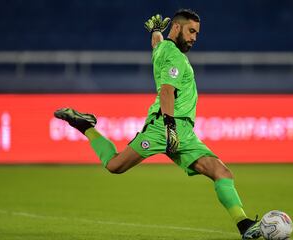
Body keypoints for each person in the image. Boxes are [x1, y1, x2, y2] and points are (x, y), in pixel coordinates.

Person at [54, 9, 261, 239]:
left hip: (184, 132)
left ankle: (244, 225)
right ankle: (85, 126)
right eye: (191, 31)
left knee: (221, 172)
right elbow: (167, 91)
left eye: (197, 33)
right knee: (115, 166)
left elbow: (157, 45)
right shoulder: (175, 57)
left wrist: (155, 32)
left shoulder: (162, 49)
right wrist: (170, 127)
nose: (194, 37)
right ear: (176, 27)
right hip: (164, 127)